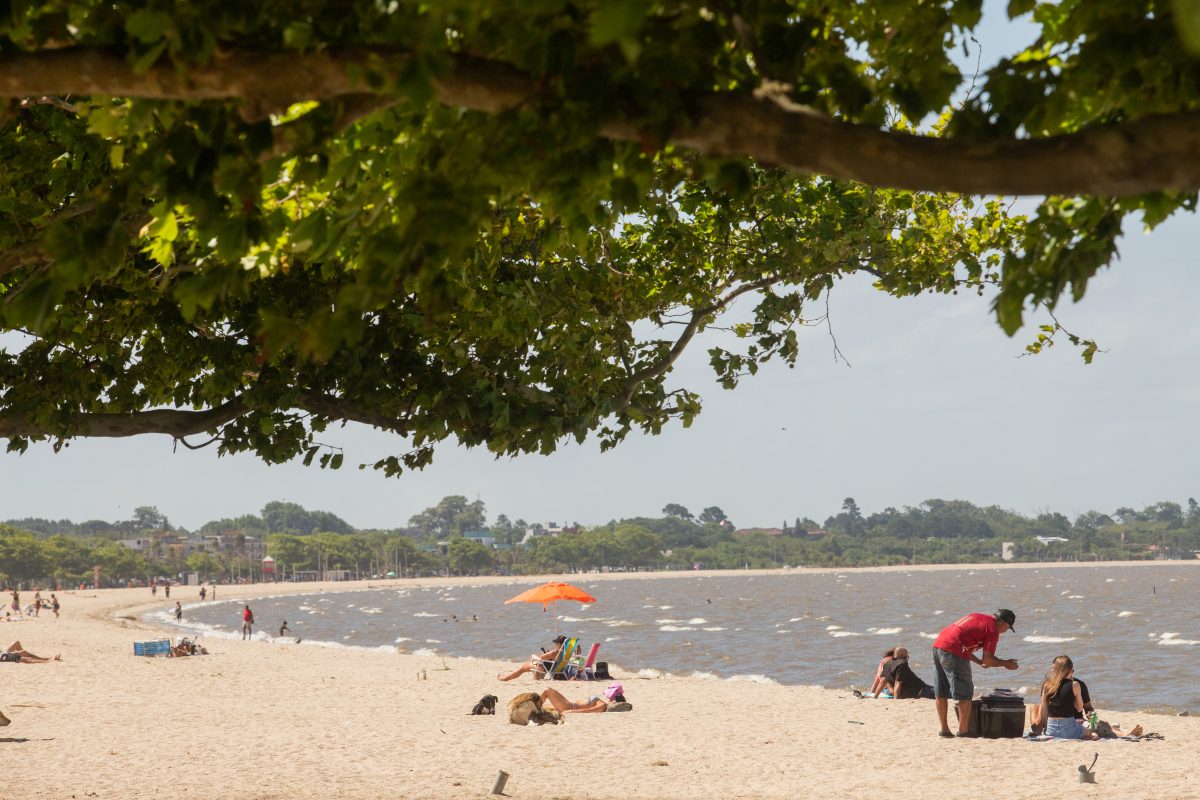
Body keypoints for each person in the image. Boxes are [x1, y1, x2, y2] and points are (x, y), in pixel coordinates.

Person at [932, 609, 1019, 738]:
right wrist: (1005, 663)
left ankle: (944, 730)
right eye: (1007, 628)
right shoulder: (992, 630)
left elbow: (962, 643)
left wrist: (979, 661)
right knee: (965, 693)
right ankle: (963, 731)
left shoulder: (978, 617)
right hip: (953, 651)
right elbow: (988, 660)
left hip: (938, 645)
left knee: (941, 690)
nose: (1005, 631)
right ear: (1004, 624)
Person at [1035, 656, 1142, 739]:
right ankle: (1122, 733)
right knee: (1095, 730)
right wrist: (1041, 725)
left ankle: (1122, 733)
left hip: (1077, 720)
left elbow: (1088, 708)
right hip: (1068, 724)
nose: (1053, 672)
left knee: (1098, 725)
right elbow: (1044, 708)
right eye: (1053, 669)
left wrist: (1093, 719)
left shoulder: (1079, 684)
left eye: (1055, 669)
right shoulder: (1050, 685)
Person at [497, 635, 568, 681]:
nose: (555, 645)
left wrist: (545, 654)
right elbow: (555, 660)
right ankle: (537, 675)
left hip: (543, 668)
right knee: (529, 662)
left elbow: (541, 658)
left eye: (556, 643)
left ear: (559, 644)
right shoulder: (566, 653)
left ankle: (505, 678)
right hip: (552, 668)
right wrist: (549, 655)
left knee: (525, 666)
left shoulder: (555, 652)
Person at [539, 682, 628, 713]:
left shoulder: (603, 705)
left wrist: (571, 711)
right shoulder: (603, 704)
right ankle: (536, 707)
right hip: (568, 704)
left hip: (568, 706)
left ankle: (535, 707)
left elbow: (588, 711)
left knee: (547, 690)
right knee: (546, 703)